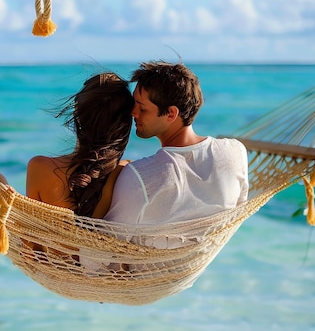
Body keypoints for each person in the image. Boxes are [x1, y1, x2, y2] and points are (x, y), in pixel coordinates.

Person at [0, 72, 134, 278]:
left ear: (77, 116)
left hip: (48, 262)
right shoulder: (126, 173)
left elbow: (34, 242)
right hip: (89, 268)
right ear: (124, 127)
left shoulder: (42, 167)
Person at [104, 61, 249, 248]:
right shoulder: (234, 152)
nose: (133, 113)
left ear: (171, 113)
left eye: (142, 108)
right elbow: (237, 211)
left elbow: (102, 251)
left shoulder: (141, 177)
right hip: (194, 266)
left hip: (141, 275)